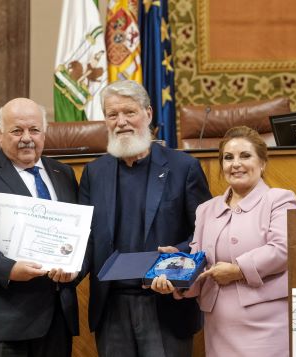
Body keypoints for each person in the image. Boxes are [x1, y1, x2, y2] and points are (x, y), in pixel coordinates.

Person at [78, 80, 212, 357]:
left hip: (165, 302)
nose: (121, 122)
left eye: (129, 112)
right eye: (112, 114)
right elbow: (83, 238)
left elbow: (206, 232)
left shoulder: (183, 167)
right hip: (111, 305)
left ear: (148, 114)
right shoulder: (94, 173)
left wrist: (178, 261)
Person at [151, 126, 296, 356]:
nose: (235, 163)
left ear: (262, 163)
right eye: (228, 158)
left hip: (267, 325)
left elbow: (283, 250)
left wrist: (239, 270)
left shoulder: (280, 200)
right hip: (219, 325)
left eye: (245, 156)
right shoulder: (206, 210)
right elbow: (198, 263)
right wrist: (176, 269)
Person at [0, 98, 79, 357]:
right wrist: (8, 268)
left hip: (57, 318)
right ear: (0, 135)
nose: (27, 138)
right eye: (16, 131)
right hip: (2, 320)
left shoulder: (63, 174)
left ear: (44, 133)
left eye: (34, 130)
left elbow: (82, 232)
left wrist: (76, 268)